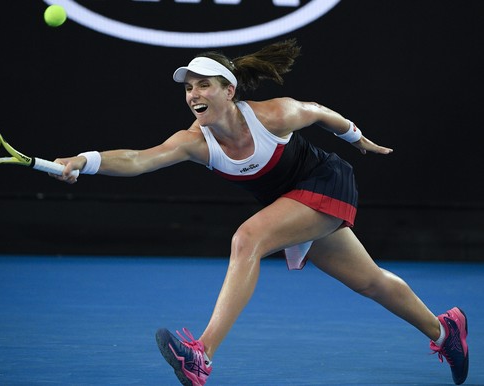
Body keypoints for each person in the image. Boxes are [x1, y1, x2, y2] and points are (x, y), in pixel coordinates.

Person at [52, 40, 469, 386]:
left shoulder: (275, 114)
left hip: (324, 181)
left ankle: (202, 356)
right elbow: (138, 159)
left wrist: (358, 139)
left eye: (204, 85)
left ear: (229, 90)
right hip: (290, 203)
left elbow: (322, 112)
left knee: (247, 239)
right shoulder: (194, 142)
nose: (194, 94)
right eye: (188, 88)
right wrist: (84, 161)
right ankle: (445, 329)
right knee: (371, 281)